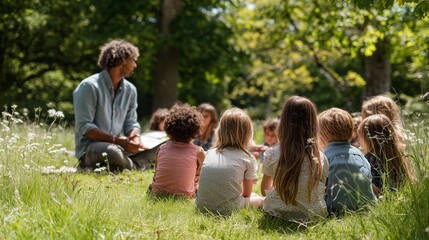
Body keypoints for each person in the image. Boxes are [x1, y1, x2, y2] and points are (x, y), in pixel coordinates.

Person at [73, 39, 147, 172]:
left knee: (161, 146)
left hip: (119, 145)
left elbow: (131, 123)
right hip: (91, 149)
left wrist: (135, 138)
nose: (135, 65)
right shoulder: (89, 87)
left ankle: (126, 162)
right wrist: (118, 141)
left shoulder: (130, 90)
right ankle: (136, 165)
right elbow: (84, 127)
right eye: (133, 60)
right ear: (123, 61)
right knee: (112, 151)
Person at [260, 96, 328, 222]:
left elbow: (264, 191)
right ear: (313, 124)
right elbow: (323, 189)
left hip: (276, 211)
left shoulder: (272, 154)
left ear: (283, 123)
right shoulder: (320, 157)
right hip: (313, 214)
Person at [196, 108, 264, 214]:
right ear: (247, 134)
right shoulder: (247, 158)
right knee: (259, 199)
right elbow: (246, 194)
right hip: (229, 208)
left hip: (201, 205)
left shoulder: (210, 153)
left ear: (220, 131)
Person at [318, 108, 376, 214]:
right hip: (366, 205)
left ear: (321, 137)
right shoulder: (360, 155)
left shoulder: (324, 157)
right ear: (351, 133)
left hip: (334, 209)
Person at [151, 104, 205, 198]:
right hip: (186, 195)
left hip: (158, 193)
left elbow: (156, 173)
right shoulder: (198, 152)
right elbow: (201, 176)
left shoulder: (162, 148)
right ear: (196, 131)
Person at [358, 114, 416, 196]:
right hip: (401, 197)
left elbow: (376, 189)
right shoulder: (397, 153)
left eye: (360, 137)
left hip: (380, 200)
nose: (360, 141)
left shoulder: (371, 158)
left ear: (368, 139)